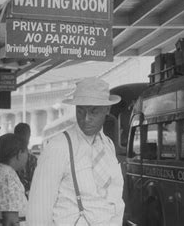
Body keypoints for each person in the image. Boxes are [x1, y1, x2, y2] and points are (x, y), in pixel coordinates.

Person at [27, 77, 124, 226]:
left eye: (94, 112)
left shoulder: (108, 145)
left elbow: (115, 199)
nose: (86, 119)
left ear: (107, 109)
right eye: (80, 111)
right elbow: (38, 211)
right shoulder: (59, 146)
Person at [0, 133, 29, 226]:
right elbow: (11, 220)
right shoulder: (8, 177)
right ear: (19, 154)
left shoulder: (0, 171)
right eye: (26, 152)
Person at [14, 122, 38, 197]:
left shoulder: (9, 156)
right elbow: (35, 183)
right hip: (27, 199)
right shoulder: (32, 159)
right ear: (29, 136)